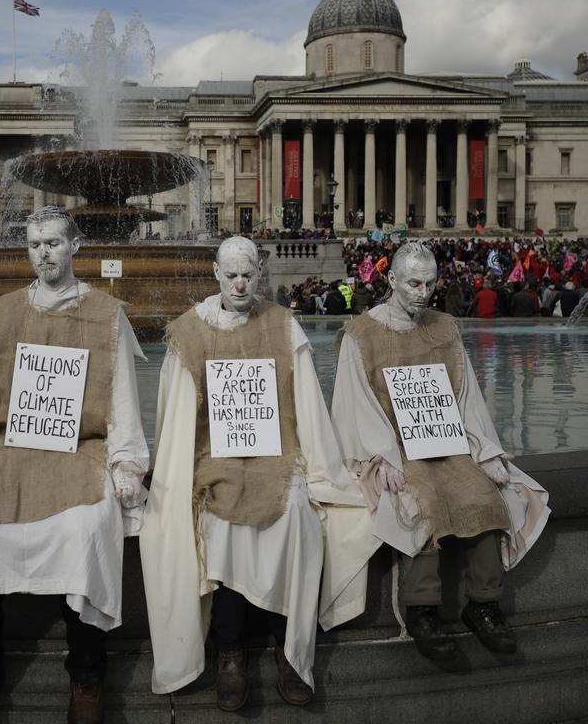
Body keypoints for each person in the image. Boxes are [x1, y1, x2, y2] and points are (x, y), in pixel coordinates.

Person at [0, 206, 149, 724]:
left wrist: (125, 461)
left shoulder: (106, 313)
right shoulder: (2, 313)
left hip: (81, 450)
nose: (44, 253)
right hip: (13, 449)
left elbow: (122, 398)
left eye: (53, 242)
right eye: (34, 244)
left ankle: (88, 676)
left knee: (88, 527)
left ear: (75, 246)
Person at [140, 236, 367, 711]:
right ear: (216, 275)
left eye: (248, 275)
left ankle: (291, 652)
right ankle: (229, 652)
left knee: (297, 519)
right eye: (231, 275)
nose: (240, 283)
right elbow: (180, 416)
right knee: (219, 526)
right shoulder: (189, 331)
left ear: (259, 274)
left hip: (277, 457)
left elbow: (305, 402)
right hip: (213, 459)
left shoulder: (283, 326)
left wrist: (315, 463)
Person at [331, 242, 550, 662]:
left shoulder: (447, 327)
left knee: (483, 495)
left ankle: (483, 605)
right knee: (420, 501)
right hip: (394, 447)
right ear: (391, 280)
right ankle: (422, 611)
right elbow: (355, 402)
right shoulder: (360, 333)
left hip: (446, 441)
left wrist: (485, 449)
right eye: (413, 283)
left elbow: (466, 394)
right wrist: (383, 455)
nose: (423, 292)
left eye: (430, 283)